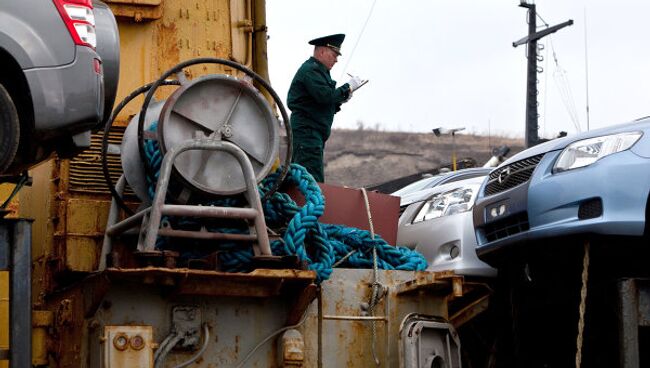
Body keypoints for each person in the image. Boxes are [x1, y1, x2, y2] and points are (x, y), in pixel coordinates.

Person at [287, 33, 364, 182]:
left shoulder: (318, 71)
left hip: (312, 133)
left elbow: (321, 102)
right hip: (308, 133)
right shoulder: (312, 70)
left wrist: (340, 99)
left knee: (306, 178)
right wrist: (347, 88)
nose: (336, 60)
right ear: (322, 51)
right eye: (334, 54)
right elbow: (325, 96)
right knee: (311, 180)